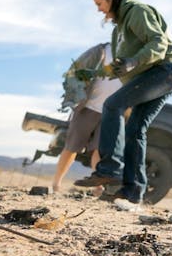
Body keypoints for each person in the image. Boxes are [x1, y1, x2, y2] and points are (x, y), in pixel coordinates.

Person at [74, 0, 172, 210]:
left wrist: (134, 61)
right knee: (135, 128)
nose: (99, 10)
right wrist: (93, 73)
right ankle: (133, 192)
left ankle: (110, 168)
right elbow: (118, 67)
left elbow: (158, 43)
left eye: (99, 3)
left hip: (164, 71)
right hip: (157, 76)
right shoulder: (118, 31)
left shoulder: (137, 11)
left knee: (112, 105)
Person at [52, 42, 121, 193]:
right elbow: (76, 69)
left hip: (110, 111)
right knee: (72, 147)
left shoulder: (133, 56)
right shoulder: (101, 50)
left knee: (98, 150)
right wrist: (75, 93)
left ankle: (97, 186)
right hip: (87, 106)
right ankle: (56, 184)